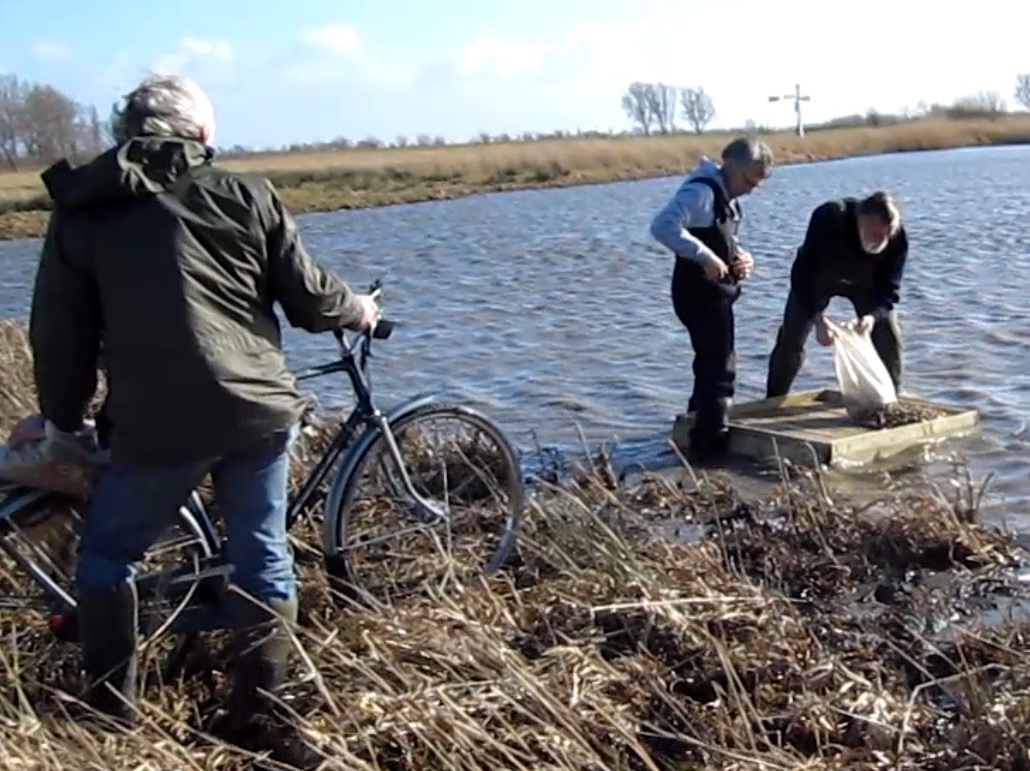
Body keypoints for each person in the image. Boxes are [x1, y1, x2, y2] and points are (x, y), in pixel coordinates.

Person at [27, 74, 380, 766]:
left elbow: (59, 334)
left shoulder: (84, 209)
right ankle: (258, 711)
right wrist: (361, 309)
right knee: (262, 550)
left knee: (109, 555)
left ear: (124, 135)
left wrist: (62, 423)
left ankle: (111, 718)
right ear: (201, 136)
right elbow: (309, 298)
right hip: (256, 413)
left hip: (155, 423)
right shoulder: (246, 193)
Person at [649, 137, 773, 463]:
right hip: (698, 295)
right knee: (721, 369)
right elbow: (662, 226)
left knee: (708, 365)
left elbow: (723, 239)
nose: (751, 189)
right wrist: (704, 257)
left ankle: (693, 436)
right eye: (749, 181)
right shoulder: (701, 192)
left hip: (712, 295)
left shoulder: (724, 195)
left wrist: (743, 258)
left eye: (758, 184)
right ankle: (710, 451)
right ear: (730, 166)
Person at [765, 191, 907, 399]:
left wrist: (872, 316)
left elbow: (889, 292)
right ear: (862, 219)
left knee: (889, 336)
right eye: (877, 234)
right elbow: (802, 276)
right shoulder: (830, 217)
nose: (883, 240)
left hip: (866, 285)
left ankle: (890, 399)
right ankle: (774, 399)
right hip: (819, 280)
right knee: (791, 337)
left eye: (888, 234)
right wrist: (819, 320)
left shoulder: (897, 239)